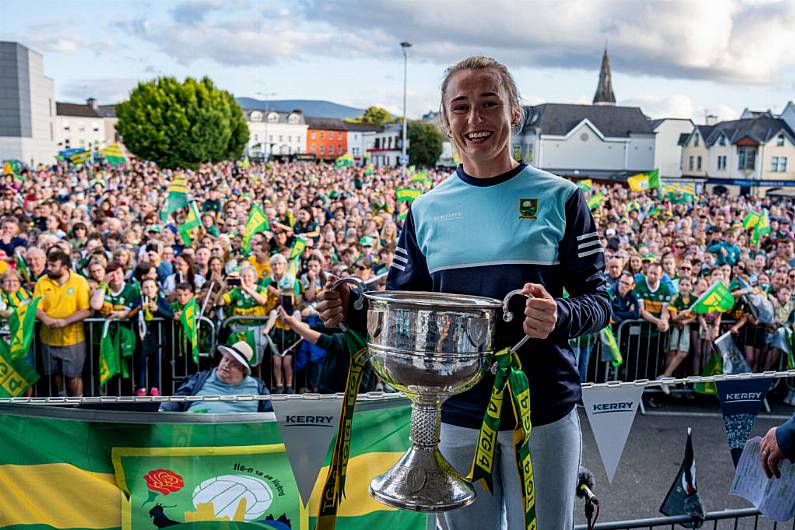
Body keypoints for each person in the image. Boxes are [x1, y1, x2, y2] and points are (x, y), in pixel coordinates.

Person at [318, 56, 610, 530]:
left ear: (516, 112)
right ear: (445, 119)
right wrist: (353, 309)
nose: (475, 120)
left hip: (543, 414)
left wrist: (560, 315)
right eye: (461, 107)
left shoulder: (562, 197)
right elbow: (401, 312)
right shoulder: (425, 210)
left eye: (489, 103)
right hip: (450, 415)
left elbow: (600, 300)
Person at [34, 249, 91, 397]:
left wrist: (65, 321)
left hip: (73, 339)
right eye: (49, 265)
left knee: (73, 375)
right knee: (55, 373)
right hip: (48, 338)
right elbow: (36, 307)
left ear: (64, 267)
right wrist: (46, 319)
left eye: (53, 265)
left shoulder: (79, 281)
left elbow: (86, 310)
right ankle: (62, 398)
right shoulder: (42, 281)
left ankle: (78, 403)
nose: (49, 268)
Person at [158, 341, 272, 413]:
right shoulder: (200, 378)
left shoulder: (258, 387)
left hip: (240, 440)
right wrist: (162, 410)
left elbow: (272, 414)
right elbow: (177, 400)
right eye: (226, 359)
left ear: (243, 371)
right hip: (197, 435)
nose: (226, 365)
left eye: (234, 364)